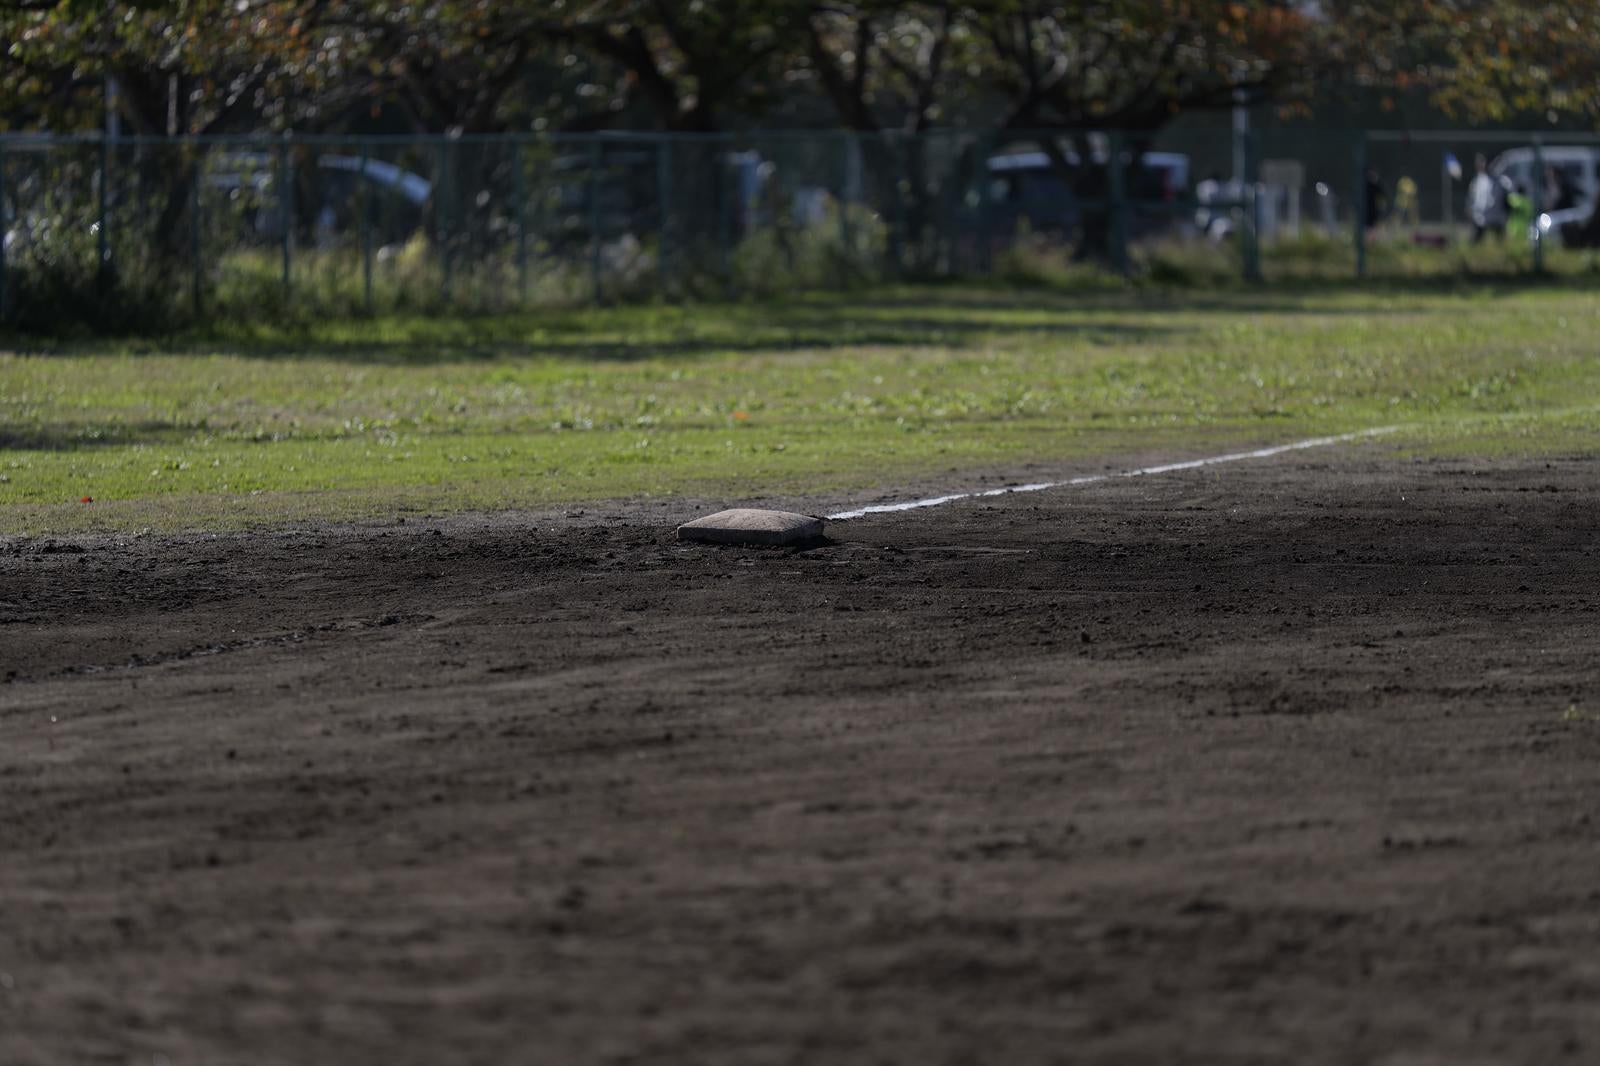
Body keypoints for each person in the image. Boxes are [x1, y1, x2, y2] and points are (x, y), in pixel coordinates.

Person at [1466, 154, 1507, 243]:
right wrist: (1469, 210)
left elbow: (1505, 199)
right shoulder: (1477, 181)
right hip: (1480, 218)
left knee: (1500, 243)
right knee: (1475, 242)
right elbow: (1472, 198)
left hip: (1496, 218)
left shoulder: (1501, 181)